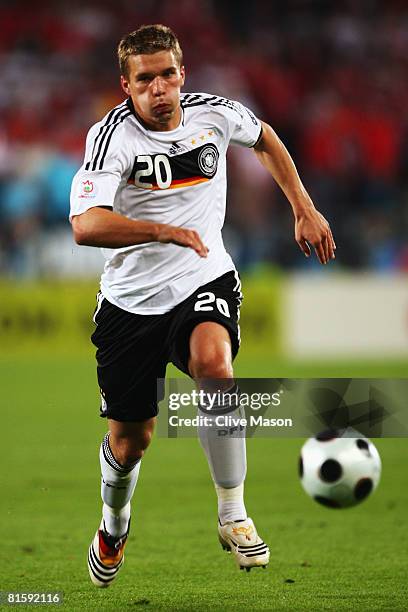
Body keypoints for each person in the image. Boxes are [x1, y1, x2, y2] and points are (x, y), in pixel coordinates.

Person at [69, 24, 335, 587]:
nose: (159, 88)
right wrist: (159, 229)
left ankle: (233, 513)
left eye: (168, 74)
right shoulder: (112, 137)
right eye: (146, 80)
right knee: (130, 440)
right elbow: (85, 225)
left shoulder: (213, 113)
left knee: (215, 366)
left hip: (203, 275)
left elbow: (264, 138)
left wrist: (303, 208)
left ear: (182, 74)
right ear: (127, 86)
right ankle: (113, 525)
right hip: (130, 302)